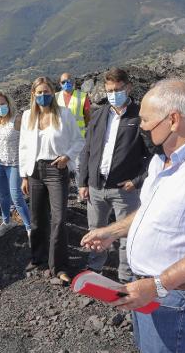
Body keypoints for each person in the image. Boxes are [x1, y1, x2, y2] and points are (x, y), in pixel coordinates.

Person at [81, 79, 185, 352]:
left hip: (177, 298)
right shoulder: (162, 160)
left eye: (146, 120)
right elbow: (149, 213)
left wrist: (156, 286)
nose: (141, 127)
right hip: (151, 289)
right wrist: (112, 231)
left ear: (173, 120)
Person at [78, 68, 150, 282]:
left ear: (128, 87)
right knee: (96, 231)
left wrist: (137, 181)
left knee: (127, 234)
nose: (113, 94)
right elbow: (87, 150)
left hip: (124, 190)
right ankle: (95, 269)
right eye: (109, 90)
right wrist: (83, 182)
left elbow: (152, 155)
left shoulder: (139, 117)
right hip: (96, 187)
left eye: (118, 89)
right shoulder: (99, 114)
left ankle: (126, 277)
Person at [19, 77, 84, 283]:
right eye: (38, 93)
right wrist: (24, 175)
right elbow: (23, 148)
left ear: (52, 93)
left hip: (57, 169)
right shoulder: (28, 116)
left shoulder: (64, 114)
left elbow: (79, 140)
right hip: (35, 171)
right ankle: (38, 258)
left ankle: (59, 266)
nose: (42, 96)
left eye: (46, 92)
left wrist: (68, 156)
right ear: (33, 95)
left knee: (58, 219)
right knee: (37, 218)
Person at [0, 91, 31, 237]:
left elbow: (27, 142)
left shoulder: (17, 119)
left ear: (9, 103)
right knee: (4, 195)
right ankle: (6, 221)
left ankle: (30, 228)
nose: (0, 107)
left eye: (2, 103)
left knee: (16, 196)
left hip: (14, 163)